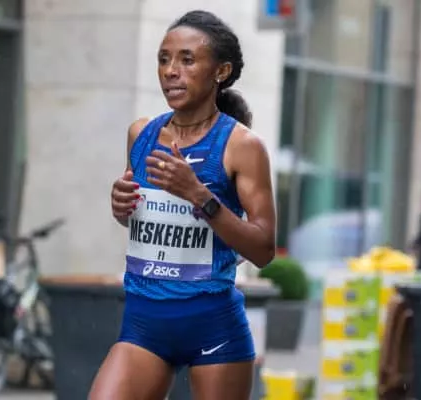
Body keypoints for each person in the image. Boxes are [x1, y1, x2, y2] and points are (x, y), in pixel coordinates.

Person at [90, 10, 276, 400]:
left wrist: (201, 196)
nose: (171, 71)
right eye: (164, 59)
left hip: (214, 328)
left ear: (221, 71)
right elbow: (143, 217)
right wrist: (122, 208)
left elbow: (263, 249)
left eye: (187, 60)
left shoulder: (242, 146)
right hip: (143, 325)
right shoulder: (141, 134)